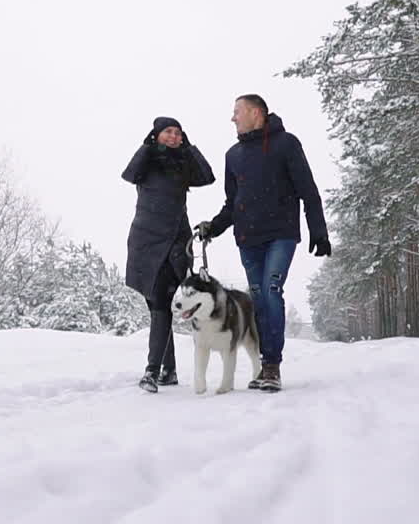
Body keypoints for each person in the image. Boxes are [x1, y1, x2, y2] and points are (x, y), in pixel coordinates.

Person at [195, 94, 330, 392]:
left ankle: (271, 366)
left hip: (281, 233)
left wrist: (317, 229)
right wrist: (213, 228)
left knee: (271, 290)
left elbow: (308, 189)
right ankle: (264, 366)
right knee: (257, 298)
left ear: (256, 113)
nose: (233, 118)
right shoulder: (233, 155)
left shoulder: (286, 144)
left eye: (237, 112)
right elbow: (233, 203)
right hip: (248, 237)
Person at [122, 116, 215, 393]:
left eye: (178, 133)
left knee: (162, 302)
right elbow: (129, 174)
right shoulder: (147, 161)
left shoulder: (183, 163)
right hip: (145, 241)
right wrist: (148, 145)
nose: (174, 137)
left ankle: (152, 371)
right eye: (168, 132)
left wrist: (189, 148)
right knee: (156, 304)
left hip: (175, 242)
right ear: (157, 135)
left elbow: (207, 176)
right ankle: (169, 370)